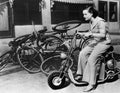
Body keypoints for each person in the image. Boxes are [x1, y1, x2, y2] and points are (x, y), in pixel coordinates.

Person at [75, 6, 111, 92]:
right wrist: (82, 33)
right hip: (96, 42)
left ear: (91, 14)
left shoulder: (100, 22)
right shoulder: (91, 21)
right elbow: (93, 32)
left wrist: (91, 35)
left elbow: (102, 35)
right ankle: (82, 74)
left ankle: (92, 83)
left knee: (92, 59)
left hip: (104, 43)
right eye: (83, 14)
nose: (84, 16)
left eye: (85, 14)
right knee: (82, 53)